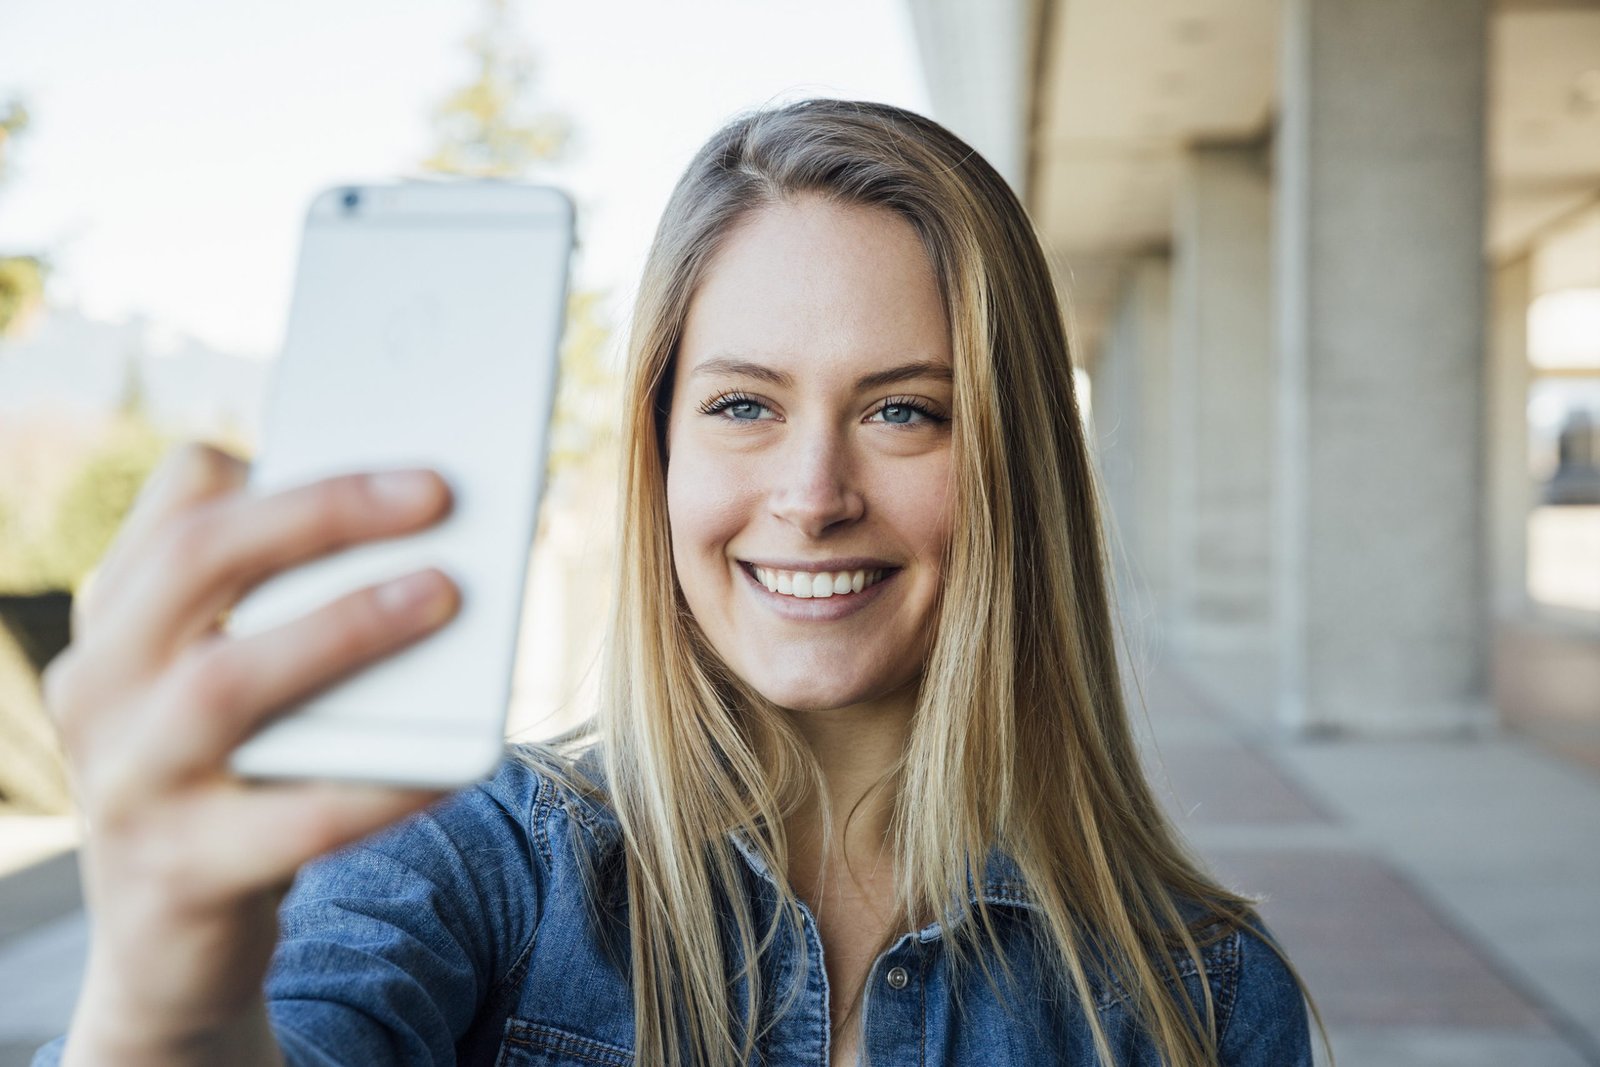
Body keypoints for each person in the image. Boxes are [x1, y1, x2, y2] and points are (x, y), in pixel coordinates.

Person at [36, 99, 1325, 1066]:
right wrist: (165, 988)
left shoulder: (1202, 994)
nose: (814, 495)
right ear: (657, 451)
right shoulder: (466, 871)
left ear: (1016, 465)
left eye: (905, 413)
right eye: (744, 404)